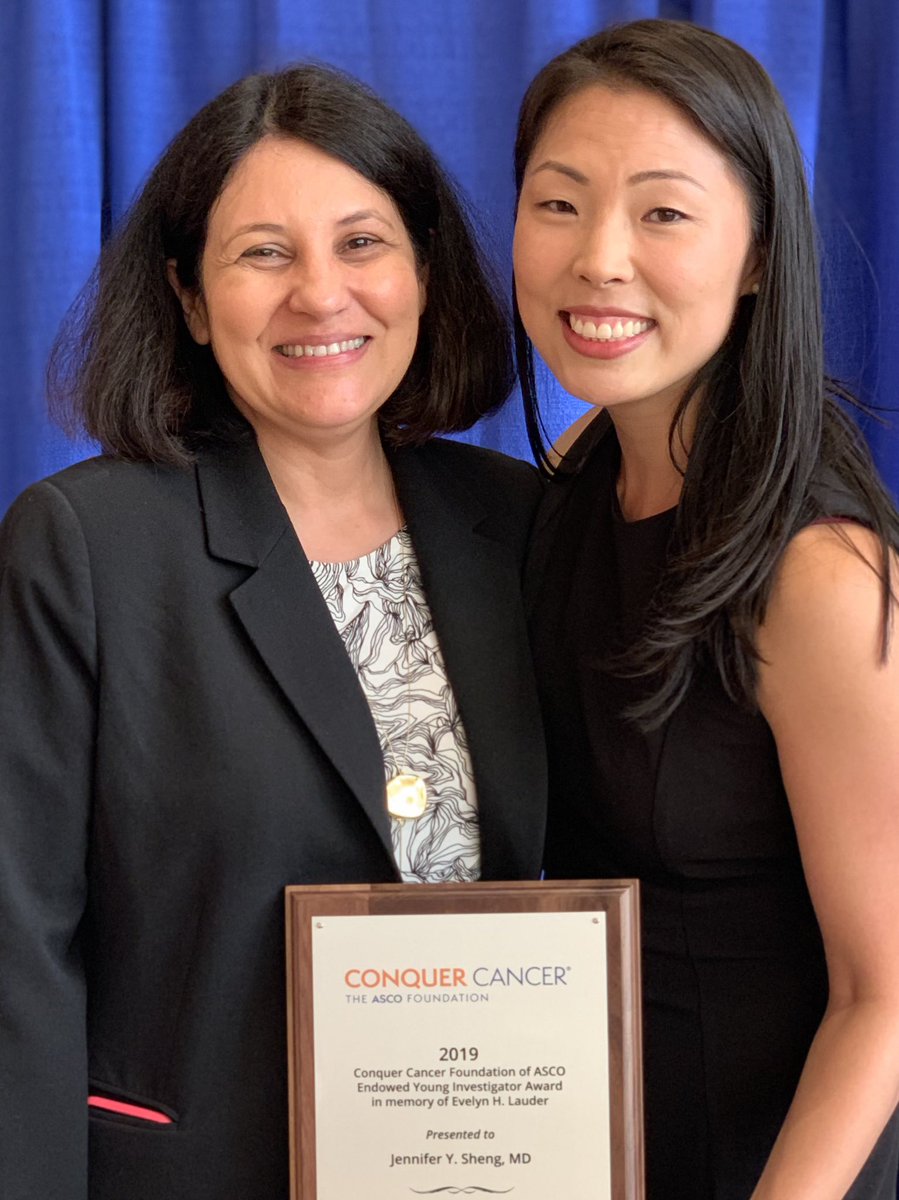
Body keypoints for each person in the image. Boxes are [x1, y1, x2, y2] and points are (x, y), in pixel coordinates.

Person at [0, 64, 546, 1199]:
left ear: (424, 273)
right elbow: (18, 945)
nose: (319, 295)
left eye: (360, 243)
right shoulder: (85, 546)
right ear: (190, 299)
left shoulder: (526, 523)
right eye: (263, 253)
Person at [514, 18, 899, 1200]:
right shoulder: (584, 461)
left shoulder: (818, 576)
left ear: (754, 256)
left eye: (662, 213)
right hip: (588, 1140)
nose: (599, 261)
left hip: (770, 1164)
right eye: (558, 204)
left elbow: (882, 994)